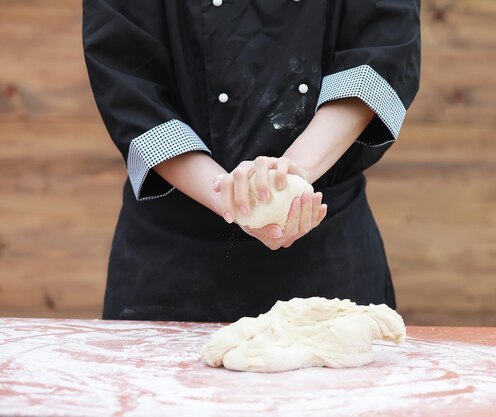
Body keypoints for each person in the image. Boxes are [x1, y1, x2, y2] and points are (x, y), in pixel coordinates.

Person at [82, 0, 421, 322]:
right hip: (172, 259)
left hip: (320, 240)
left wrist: (291, 178)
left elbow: (381, 48)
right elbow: (127, 79)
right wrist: (228, 194)